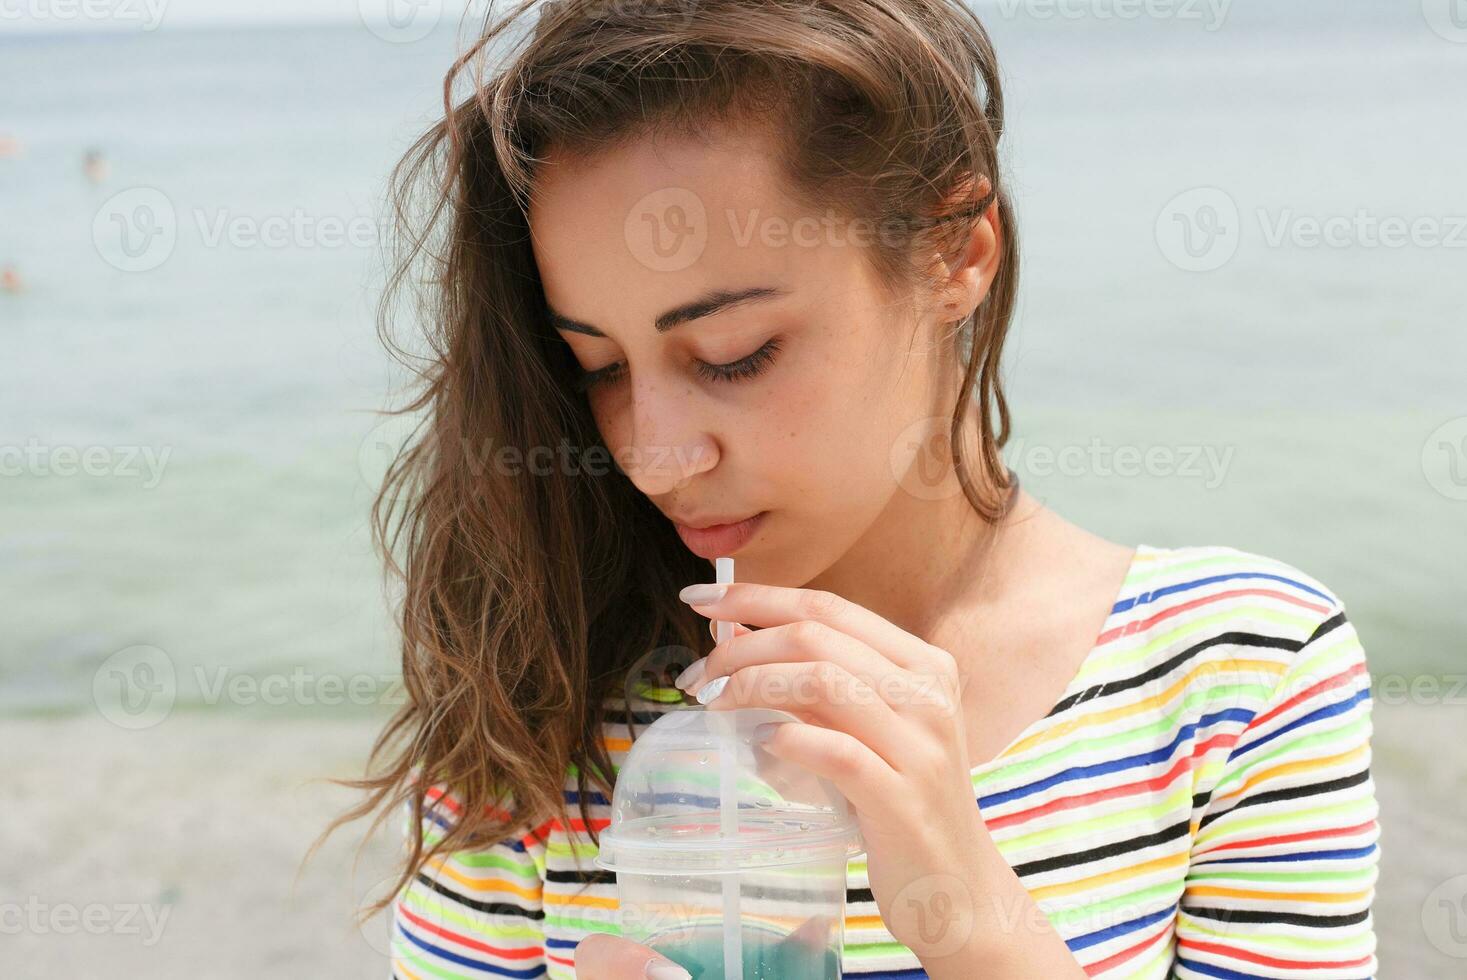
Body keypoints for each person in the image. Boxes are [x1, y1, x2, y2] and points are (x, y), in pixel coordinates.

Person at [329, 2, 1380, 977]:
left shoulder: (1239, 675)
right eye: (599, 367)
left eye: (735, 352)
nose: (654, 454)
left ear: (953, 252)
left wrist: (971, 917)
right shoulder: (540, 715)